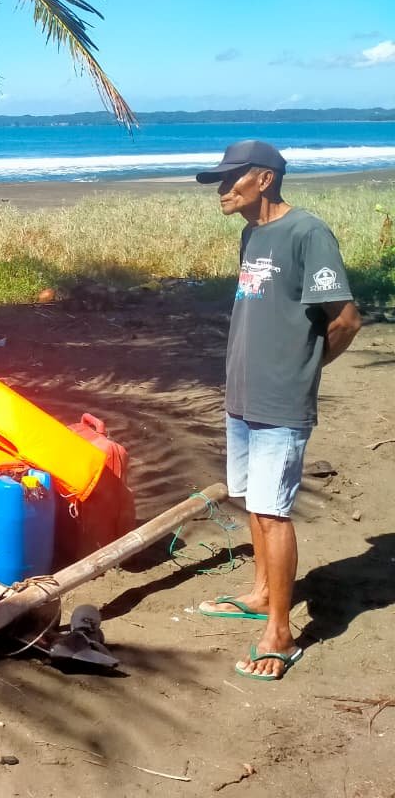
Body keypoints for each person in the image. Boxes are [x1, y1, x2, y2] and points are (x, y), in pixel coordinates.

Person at [194, 140, 361, 681]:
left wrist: (305, 367)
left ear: (264, 179)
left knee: (273, 511)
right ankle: (263, 592)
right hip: (242, 393)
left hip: (280, 399)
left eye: (231, 180)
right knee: (251, 501)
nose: (222, 191)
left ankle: (281, 633)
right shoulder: (252, 234)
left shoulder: (307, 232)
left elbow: (345, 319)